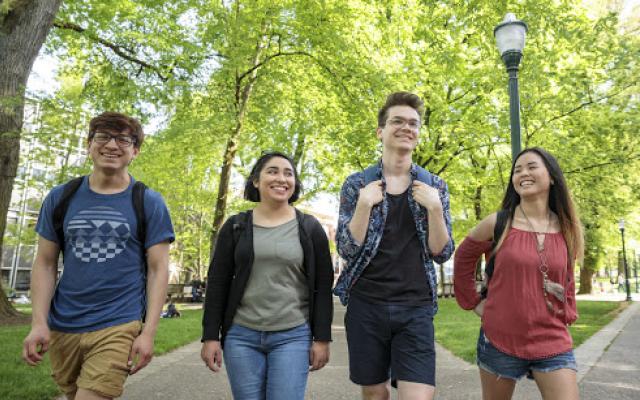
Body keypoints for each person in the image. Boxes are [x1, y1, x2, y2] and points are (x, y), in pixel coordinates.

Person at [22, 112, 175, 400]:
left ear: (135, 151)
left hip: (118, 322)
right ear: (89, 144)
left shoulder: (148, 202)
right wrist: (39, 322)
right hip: (64, 325)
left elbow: (158, 269)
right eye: (103, 137)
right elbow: (44, 262)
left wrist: (148, 333)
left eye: (123, 139)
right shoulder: (60, 197)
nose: (112, 145)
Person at [334, 92, 454, 400]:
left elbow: (442, 253)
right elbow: (346, 250)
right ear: (381, 131)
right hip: (366, 305)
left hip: (415, 307)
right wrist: (363, 205)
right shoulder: (356, 184)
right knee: (375, 394)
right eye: (397, 121)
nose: (406, 127)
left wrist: (435, 209)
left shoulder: (435, 187)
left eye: (413, 123)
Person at [201, 151, 334, 400]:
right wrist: (210, 337)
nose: (281, 178)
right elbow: (217, 283)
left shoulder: (310, 228)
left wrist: (322, 339)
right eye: (272, 171)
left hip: (293, 335)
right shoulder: (235, 226)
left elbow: (323, 286)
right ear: (255, 181)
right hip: (241, 336)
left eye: (288, 173)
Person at [453, 147, 583, 400]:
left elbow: (566, 279)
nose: (523, 173)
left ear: (552, 176)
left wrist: (568, 310)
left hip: (552, 340)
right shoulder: (498, 222)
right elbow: (464, 257)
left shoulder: (568, 229)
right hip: (499, 340)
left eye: (532, 166)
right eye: (517, 170)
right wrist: (473, 302)